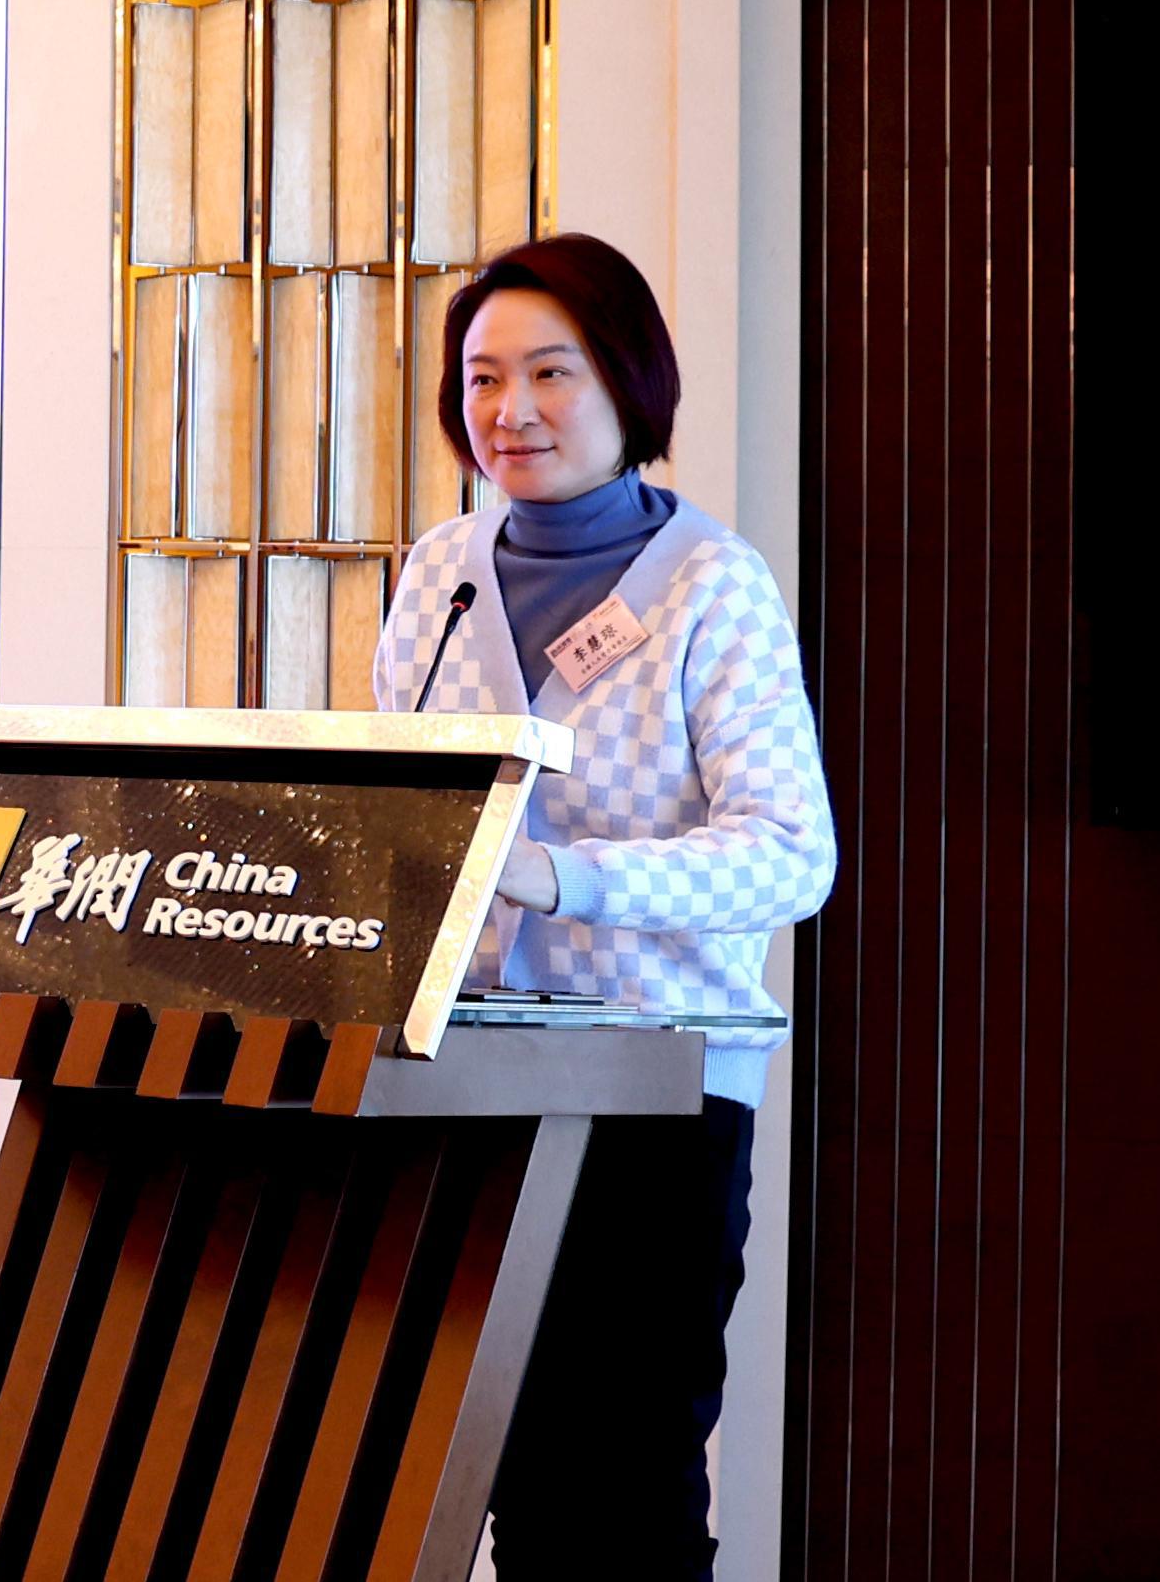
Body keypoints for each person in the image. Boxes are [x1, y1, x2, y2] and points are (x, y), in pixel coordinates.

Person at [371, 232, 836, 1582]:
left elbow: (789, 857)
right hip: (460, 1088)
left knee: (617, 1490)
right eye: (481, 377)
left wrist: (567, 878)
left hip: (653, 1097)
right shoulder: (440, 572)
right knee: (483, 1475)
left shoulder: (711, 583)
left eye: (550, 372)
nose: (510, 410)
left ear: (629, 384)